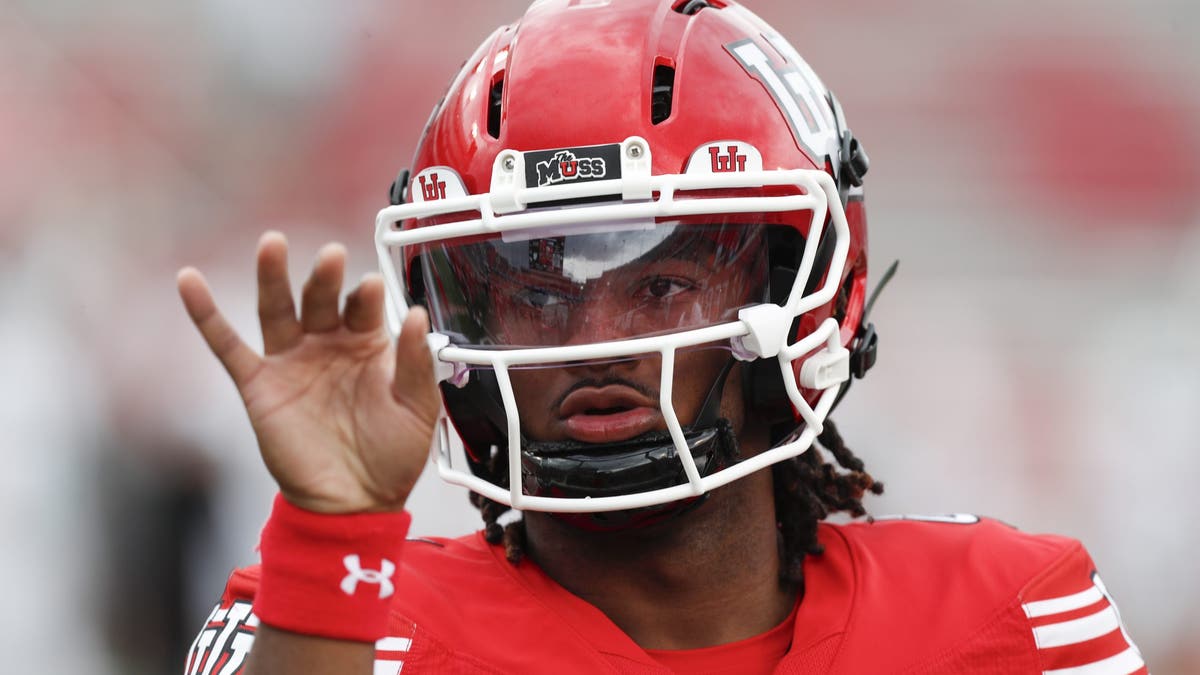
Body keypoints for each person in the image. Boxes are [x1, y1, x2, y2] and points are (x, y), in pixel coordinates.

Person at [177, 1, 1146, 673]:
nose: (599, 338)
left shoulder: (1013, 614)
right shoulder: (330, 620)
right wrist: (330, 535)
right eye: (539, 294)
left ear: (808, 287)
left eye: (664, 285)